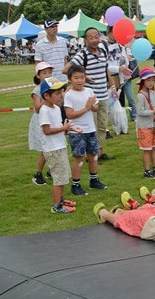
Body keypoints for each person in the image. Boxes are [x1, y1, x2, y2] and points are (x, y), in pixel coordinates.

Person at [64, 27, 113, 160]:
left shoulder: (103, 51)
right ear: (85, 40)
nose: (94, 40)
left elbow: (105, 68)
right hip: (89, 98)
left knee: (103, 126)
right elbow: (66, 70)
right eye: (90, 37)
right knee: (92, 127)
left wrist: (110, 82)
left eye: (96, 37)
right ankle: (90, 154)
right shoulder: (82, 54)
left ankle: (99, 152)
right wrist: (84, 77)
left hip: (103, 95)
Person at [39, 77, 81, 213]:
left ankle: (61, 200)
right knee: (58, 178)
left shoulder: (56, 108)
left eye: (61, 92)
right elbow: (46, 130)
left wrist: (68, 128)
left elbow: (59, 127)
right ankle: (56, 206)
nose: (60, 95)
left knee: (63, 176)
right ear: (46, 95)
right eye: (57, 93)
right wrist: (64, 129)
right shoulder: (44, 110)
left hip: (60, 146)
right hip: (52, 149)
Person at [64, 65, 106, 195]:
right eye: (76, 78)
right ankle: (75, 184)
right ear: (70, 79)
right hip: (77, 132)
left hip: (90, 129)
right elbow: (70, 114)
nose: (79, 80)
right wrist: (87, 107)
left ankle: (94, 180)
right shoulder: (69, 95)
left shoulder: (89, 91)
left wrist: (93, 106)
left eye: (82, 77)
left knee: (93, 156)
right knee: (79, 158)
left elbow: (96, 107)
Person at [105, 26, 137, 121]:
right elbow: (106, 66)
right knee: (113, 100)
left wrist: (125, 67)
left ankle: (132, 117)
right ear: (110, 32)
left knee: (130, 98)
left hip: (123, 77)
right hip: (112, 78)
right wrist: (119, 68)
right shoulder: (104, 46)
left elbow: (126, 61)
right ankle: (115, 120)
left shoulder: (121, 46)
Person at [30, 62, 54, 186]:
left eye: (49, 72)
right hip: (41, 121)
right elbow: (37, 107)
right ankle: (37, 174)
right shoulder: (37, 90)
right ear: (38, 76)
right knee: (45, 149)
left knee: (53, 146)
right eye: (44, 73)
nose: (48, 75)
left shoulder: (52, 87)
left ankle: (51, 171)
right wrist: (47, 98)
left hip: (51, 119)